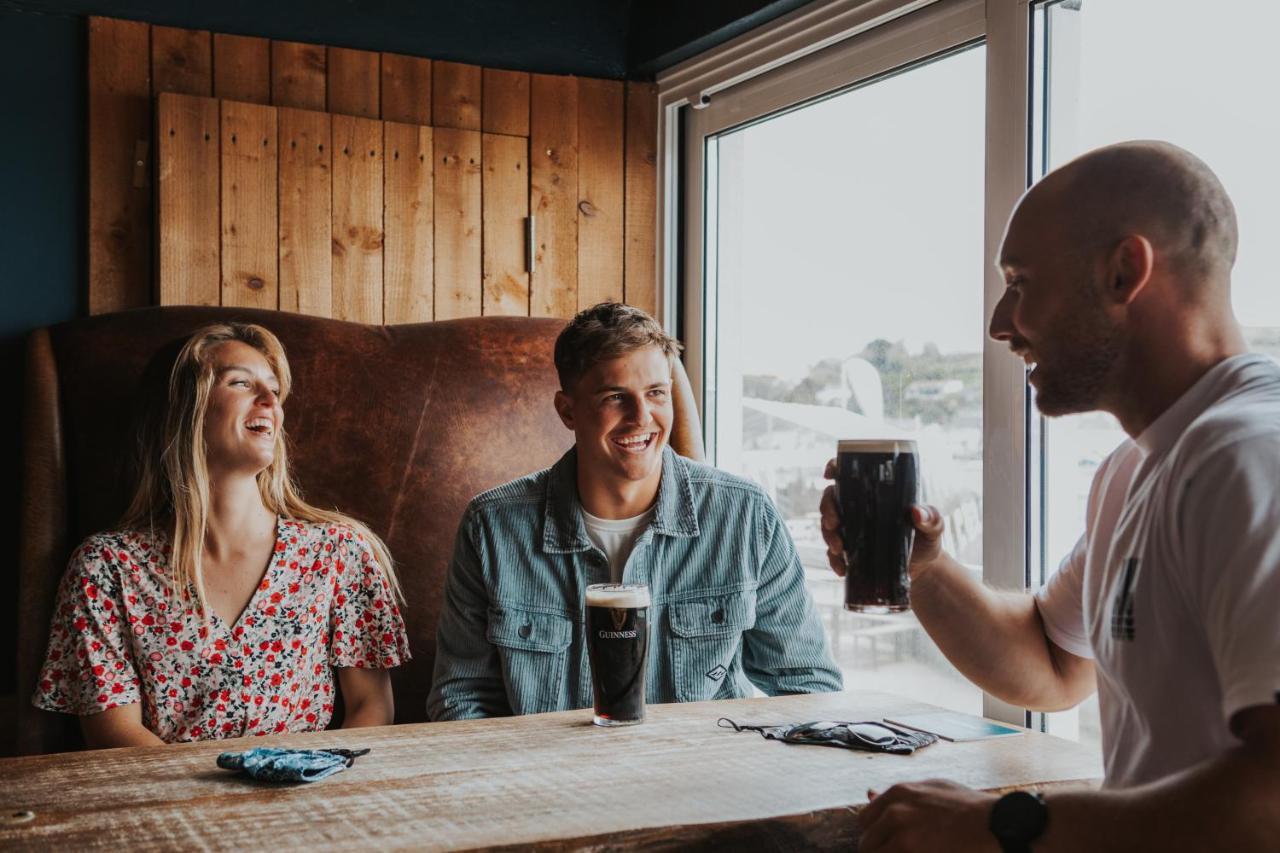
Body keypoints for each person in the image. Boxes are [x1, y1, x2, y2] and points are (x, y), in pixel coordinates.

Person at [819, 141, 1280, 851]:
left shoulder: (1248, 456)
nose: (1000, 323)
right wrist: (926, 568)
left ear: (1124, 272)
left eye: (1021, 281)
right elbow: (1053, 663)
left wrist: (1003, 825)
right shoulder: (1135, 469)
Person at [428, 302, 841, 720]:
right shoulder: (492, 527)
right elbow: (461, 699)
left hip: (701, 776)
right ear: (567, 411)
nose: (641, 418)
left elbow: (806, 688)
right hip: (547, 779)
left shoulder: (746, 515)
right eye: (615, 397)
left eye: (656, 394)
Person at [33, 323, 411, 747]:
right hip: (168, 800)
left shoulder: (340, 551)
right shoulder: (106, 567)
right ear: (184, 408)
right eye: (241, 383)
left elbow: (371, 707)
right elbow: (112, 731)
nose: (270, 401)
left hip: (306, 795)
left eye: (273, 389)